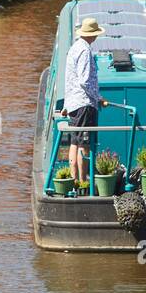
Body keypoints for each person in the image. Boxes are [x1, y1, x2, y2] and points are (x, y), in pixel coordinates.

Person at [62, 16, 107, 192]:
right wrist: (98, 98)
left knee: (74, 142)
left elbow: (70, 80)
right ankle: (83, 182)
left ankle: (74, 183)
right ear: (94, 35)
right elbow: (84, 81)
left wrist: (66, 104)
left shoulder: (74, 48)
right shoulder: (85, 51)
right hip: (84, 104)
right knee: (84, 144)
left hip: (74, 104)